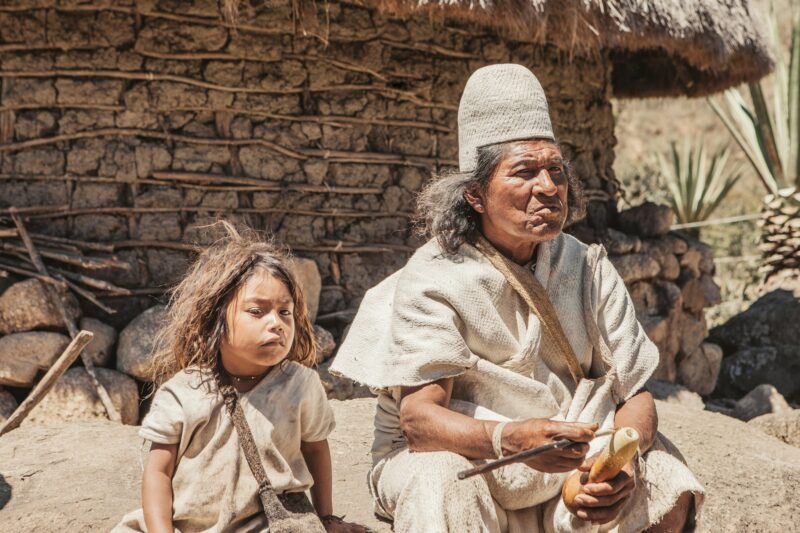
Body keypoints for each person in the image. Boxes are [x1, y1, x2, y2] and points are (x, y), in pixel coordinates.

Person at [331, 64, 704, 533]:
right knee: (437, 477)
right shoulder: (435, 279)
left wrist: (619, 463)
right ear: (476, 195)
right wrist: (511, 438)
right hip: (470, 465)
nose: (548, 188)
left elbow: (637, 396)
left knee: (663, 477)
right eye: (525, 172)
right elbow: (420, 422)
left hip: (565, 472)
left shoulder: (587, 267)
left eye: (556, 172)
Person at [114, 224, 364, 533]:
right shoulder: (183, 393)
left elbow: (315, 450)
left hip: (269, 523)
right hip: (186, 525)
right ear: (214, 322)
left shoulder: (300, 385)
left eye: (285, 312)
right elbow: (158, 473)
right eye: (257, 311)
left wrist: (326, 518)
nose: (276, 323)